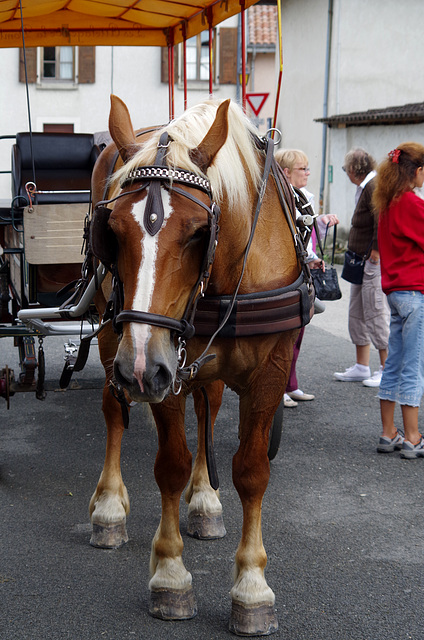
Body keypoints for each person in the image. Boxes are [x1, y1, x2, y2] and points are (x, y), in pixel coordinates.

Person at [275, 149, 339, 407]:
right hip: (286, 275)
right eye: (303, 168)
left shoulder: (302, 197)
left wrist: (313, 250)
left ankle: (291, 385)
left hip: (301, 272)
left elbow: (306, 234)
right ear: (287, 172)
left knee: (298, 332)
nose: (308, 173)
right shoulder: (281, 197)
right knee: (284, 334)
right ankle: (278, 389)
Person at [373, 143, 424, 458]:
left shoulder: (387, 204)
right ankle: (413, 437)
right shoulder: (412, 204)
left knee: (393, 363)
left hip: (393, 293)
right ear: (416, 171)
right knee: (413, 366)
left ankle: (388, 432)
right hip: (414, 292)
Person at [334, 148, 389, 387]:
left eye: (346, 169)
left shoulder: (373, 185)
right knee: (357, 312)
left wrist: (375, 249)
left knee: (376, 312)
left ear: (355, 169)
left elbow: (381, 218)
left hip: (371, 259)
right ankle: (361, 366)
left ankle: (387, 369)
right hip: (360, 258)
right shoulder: (365, 185)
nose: (346, 173)